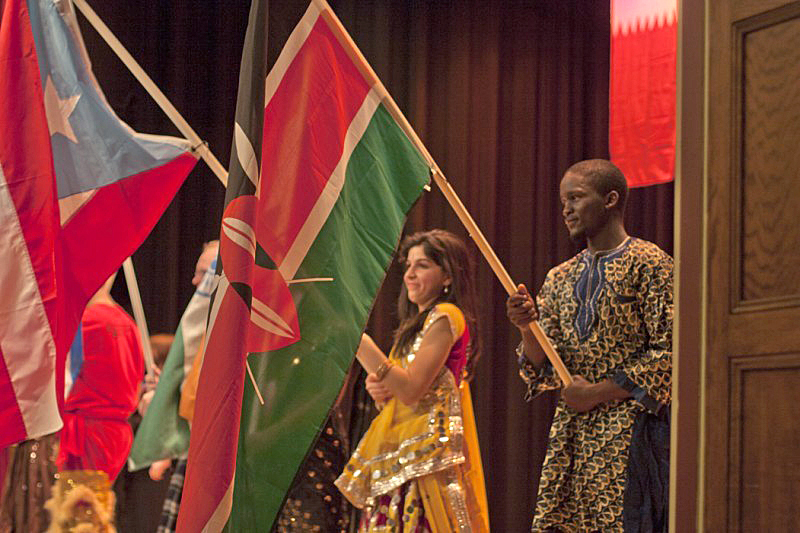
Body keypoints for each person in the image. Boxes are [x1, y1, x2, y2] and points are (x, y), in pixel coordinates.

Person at [506, 159, 673, 532]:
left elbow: (669, 356)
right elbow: (543, 367)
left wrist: (595, 393)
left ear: (610, 199)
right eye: (563, 200)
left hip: (631, 433)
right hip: (574, 435)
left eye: (576, 197)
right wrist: (526, 327)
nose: (566, 208)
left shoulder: (650, 264)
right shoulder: (560, 277)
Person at [335, 229, 490, 532]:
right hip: (399, 461)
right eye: (408, 265)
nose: (409, 274)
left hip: (426, 465)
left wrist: (361, 344)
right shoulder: (411, 330)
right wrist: (378, 388)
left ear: (448, 276)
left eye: (422, 265)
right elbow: (394, 393)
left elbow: (410, 390)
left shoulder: (446, 316)